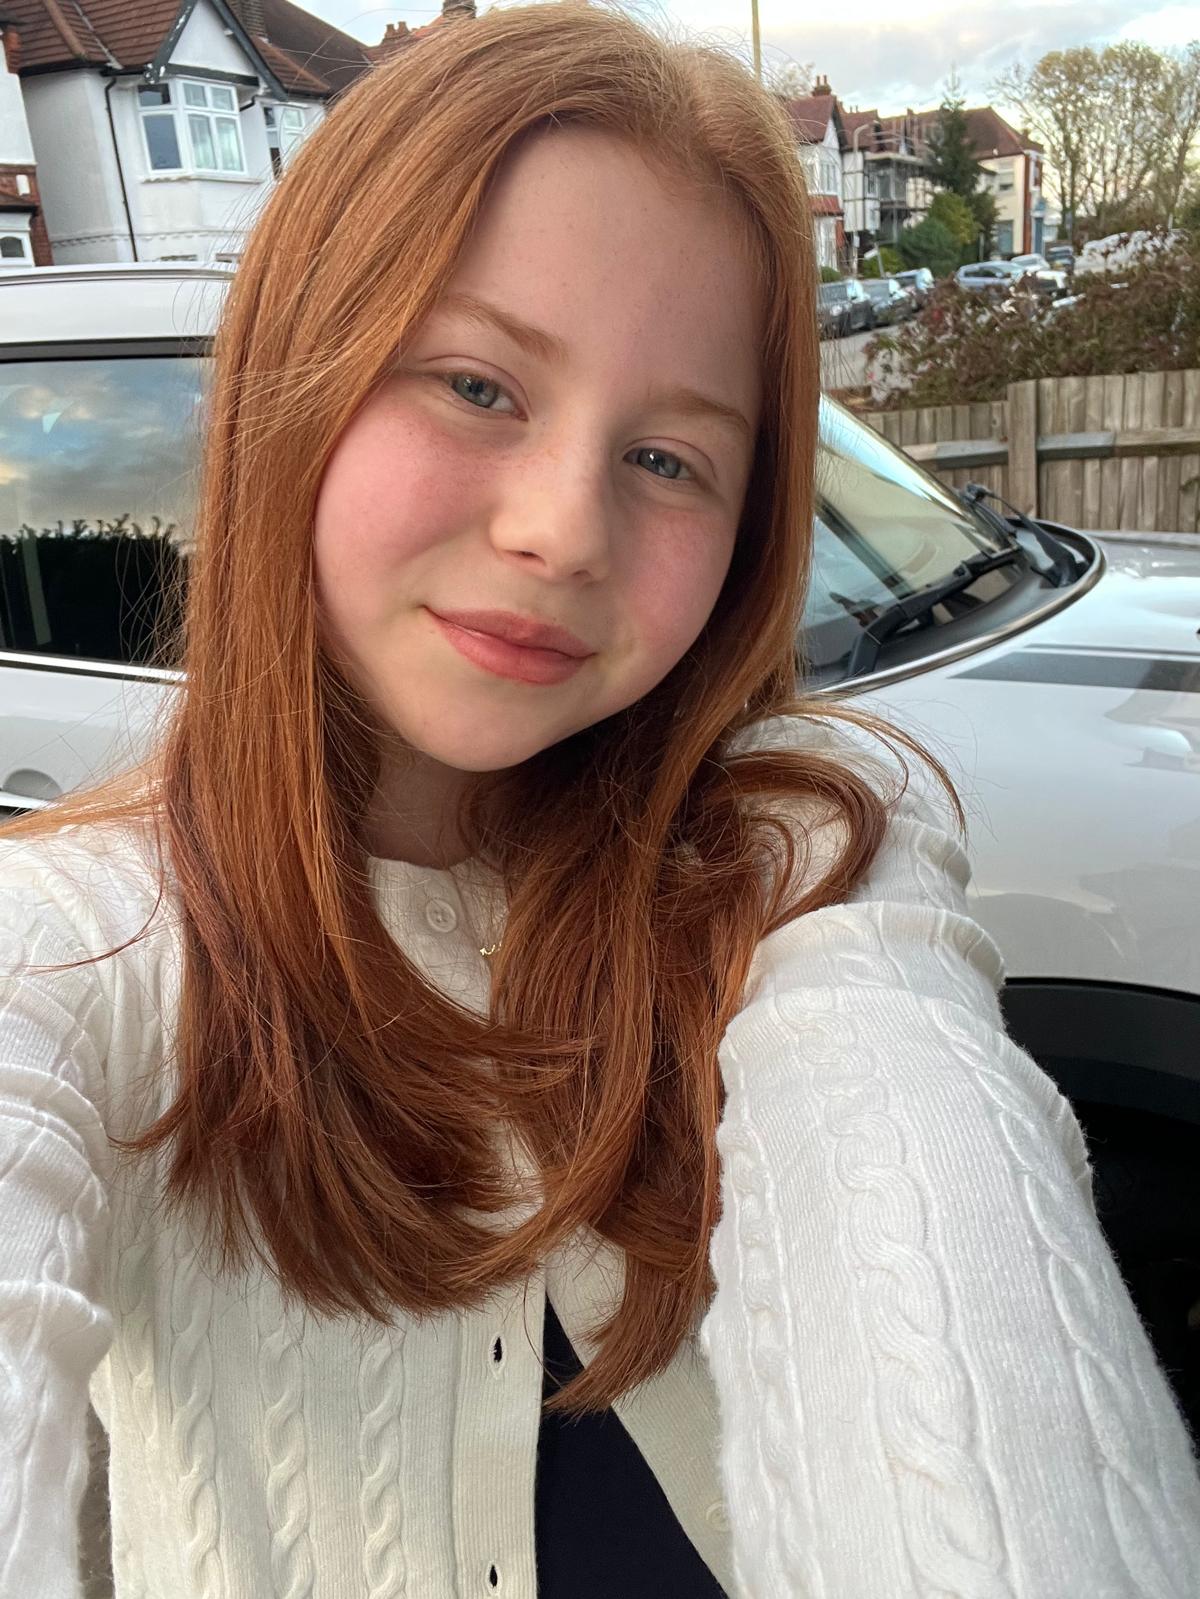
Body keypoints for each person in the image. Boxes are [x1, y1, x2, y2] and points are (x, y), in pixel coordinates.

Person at [1, 5, 1198, 1596]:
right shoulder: (69, 947)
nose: (564, 530)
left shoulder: (799, 849)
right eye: (478, 385)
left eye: (669, 459)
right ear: (291, 383)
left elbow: (919, 1189)